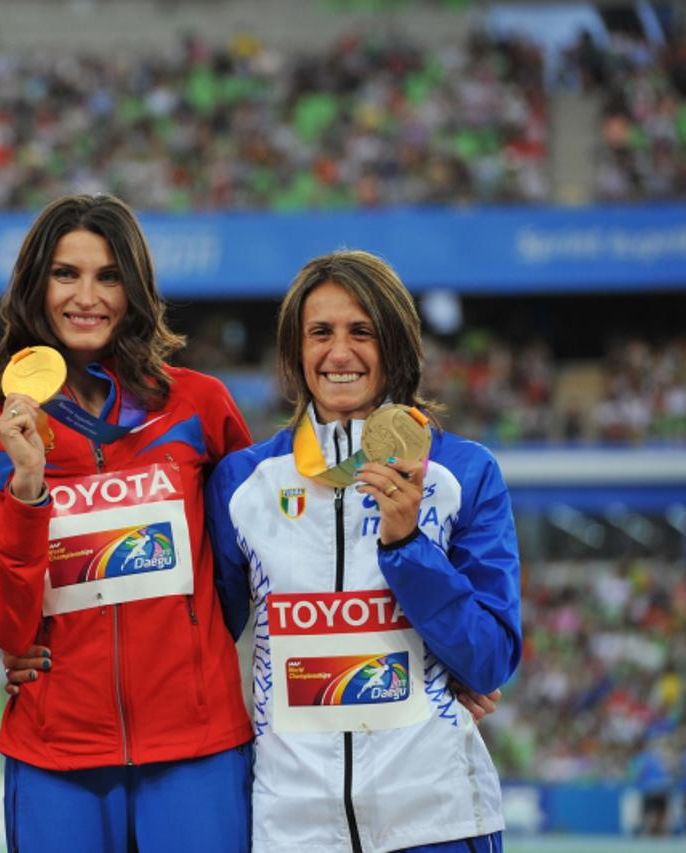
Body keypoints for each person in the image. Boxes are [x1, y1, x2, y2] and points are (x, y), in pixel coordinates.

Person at [0, 193, 255, 852]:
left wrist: (194, 645)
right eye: (66, 273)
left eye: (108, 275)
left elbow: (251, 565)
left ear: (134, 289)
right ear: (36, 285)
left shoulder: (199, 406)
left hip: (196, 749)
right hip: (56, 755)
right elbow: (5, 623)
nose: (87, 295)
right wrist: (28, 488)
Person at [205, 249, 522, 853]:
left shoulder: (462, 472)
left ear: (397, 345)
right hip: (293, 825)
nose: (340, 353)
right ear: (296, 351)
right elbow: (199, 639)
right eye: (320, 333)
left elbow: (489, 661)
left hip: (439, 818)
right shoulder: (243, 483)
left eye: (362, 332)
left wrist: (408, 547)